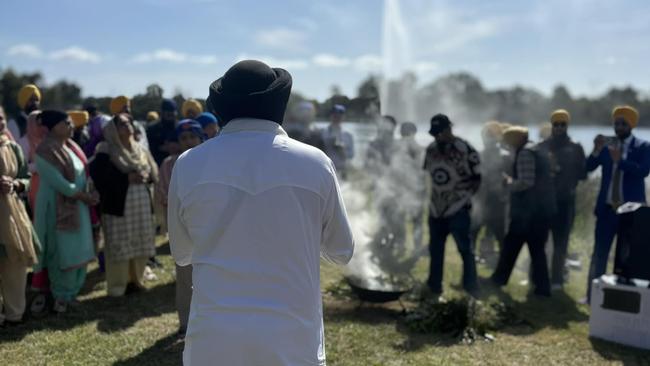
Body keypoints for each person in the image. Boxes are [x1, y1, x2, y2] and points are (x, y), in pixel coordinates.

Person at [169, 60, 354, 365]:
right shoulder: (315, 163)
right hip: (292, 340)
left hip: (214, 340)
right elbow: (341, 250)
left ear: (221, 108)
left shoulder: (188, 164)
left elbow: (182, 253)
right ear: (278, 105)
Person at [584, 106, 649, 302]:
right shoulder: (606, 146)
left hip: (631, 213)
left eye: (623, 123)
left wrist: (620, 161)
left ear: (631, 125)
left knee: (628, 256)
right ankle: (592, 296)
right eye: (616, 123)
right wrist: (595, 150)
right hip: (606, 209)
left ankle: (625, 298)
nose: (618, 127)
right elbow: (588, 168)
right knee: (599, 253)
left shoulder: (643, 146)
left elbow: (643, 172)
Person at [33, 110, 96, 313]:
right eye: (66, 123)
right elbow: (58, 182)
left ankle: (71, 294)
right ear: (53, 127)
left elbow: (81, 173)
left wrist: (89, 192)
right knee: (62, 251)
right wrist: (82, 196)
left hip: (78, 205)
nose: (71, 126)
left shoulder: (69, 148)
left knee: (78, 248)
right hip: (57, 208)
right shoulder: (44, 151)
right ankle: (61, 296)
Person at [90, 113, 159, 297]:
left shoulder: (140, 149)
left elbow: (153, 171)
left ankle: (136, 280)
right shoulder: (106, 149)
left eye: (129, 122)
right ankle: (118, 287)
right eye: (122, 124)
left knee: (140, 240)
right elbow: (99, 176)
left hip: (141, 203)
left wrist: (147, 177)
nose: (127, 126)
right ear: (112, 129)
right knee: (119, 245)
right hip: (118, 206)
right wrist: (126, 178)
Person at [491, 126, 555, 297]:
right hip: (540, 210)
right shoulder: (536, 149)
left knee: (513, 246)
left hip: (528, 213)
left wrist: (508, 182)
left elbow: (526, 182)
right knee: (535, 250)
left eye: (508, 142)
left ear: (515, 140)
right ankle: (542, 288)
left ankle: (499, 280)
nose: (507, 146)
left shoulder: (525, 153)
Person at [155, 119, 205, 338]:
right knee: (185, 278)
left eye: (192, 136)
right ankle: (185, 322)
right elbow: (163, 193)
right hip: (184, 226)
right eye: (183, 138)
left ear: (201, 137)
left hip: (209, 228)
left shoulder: (211, 159)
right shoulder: (169, 164)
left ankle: (206, 322)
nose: (188, 141)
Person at [423, 114, 481, 297]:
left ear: (449, 129)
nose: (437, 137)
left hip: (458, 208)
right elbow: (426, 175)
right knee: (435, 249)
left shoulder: (465, 149)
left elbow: (477, 178)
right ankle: (434, 285)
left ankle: (471, 286)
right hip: (435, 208)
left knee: (465, 249)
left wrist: (464, 198)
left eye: (440, 132)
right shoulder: (431, 149)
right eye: (435, 134)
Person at [0, 105, 40, 326]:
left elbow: (26, 178)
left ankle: (15, 314)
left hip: (13, 214)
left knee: (15, 265)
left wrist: (15, 184)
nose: (0, 121)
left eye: (2, 117)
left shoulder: (13, 148)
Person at [538, 109, 586, 289]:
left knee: (561, 243)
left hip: (565, 201)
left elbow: (583, 174)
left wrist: (563, 170)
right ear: (551, 125)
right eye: (555, 124)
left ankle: (557, 279)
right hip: (544, 201)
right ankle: (538, 277)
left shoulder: (576, 147)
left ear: (567, 125)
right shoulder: (542, 146)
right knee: (539, 241)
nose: (558, 127)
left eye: (562, 124)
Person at [471, 121, 509, 264]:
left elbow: (511, 179)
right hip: (480, 201)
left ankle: (502, 270)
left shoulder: (506, 156)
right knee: (472, 235)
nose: (489, 138)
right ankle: (469, 270)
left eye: (492, 135)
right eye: (487, 135)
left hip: (497, 201)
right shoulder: (477, 155)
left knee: (501, 237)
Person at [322, 104, 354, 179]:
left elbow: (351, 155)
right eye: (335, 116)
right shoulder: (323, 132)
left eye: (339, 116)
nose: (337, 118)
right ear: (331, 116)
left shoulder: (348, 135)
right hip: (327, 170)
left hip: (342, 170)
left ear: (343, 117)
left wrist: (342, 150)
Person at [147, 99, 179, 165]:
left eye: (172, 112)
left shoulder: (180, 127)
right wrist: (162, 148)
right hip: (158, 164)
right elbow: (148, 149)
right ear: (162, 112)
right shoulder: (152, 128)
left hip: (178, 164)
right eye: (168, 112)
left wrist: (178, 147)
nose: (171, 114)